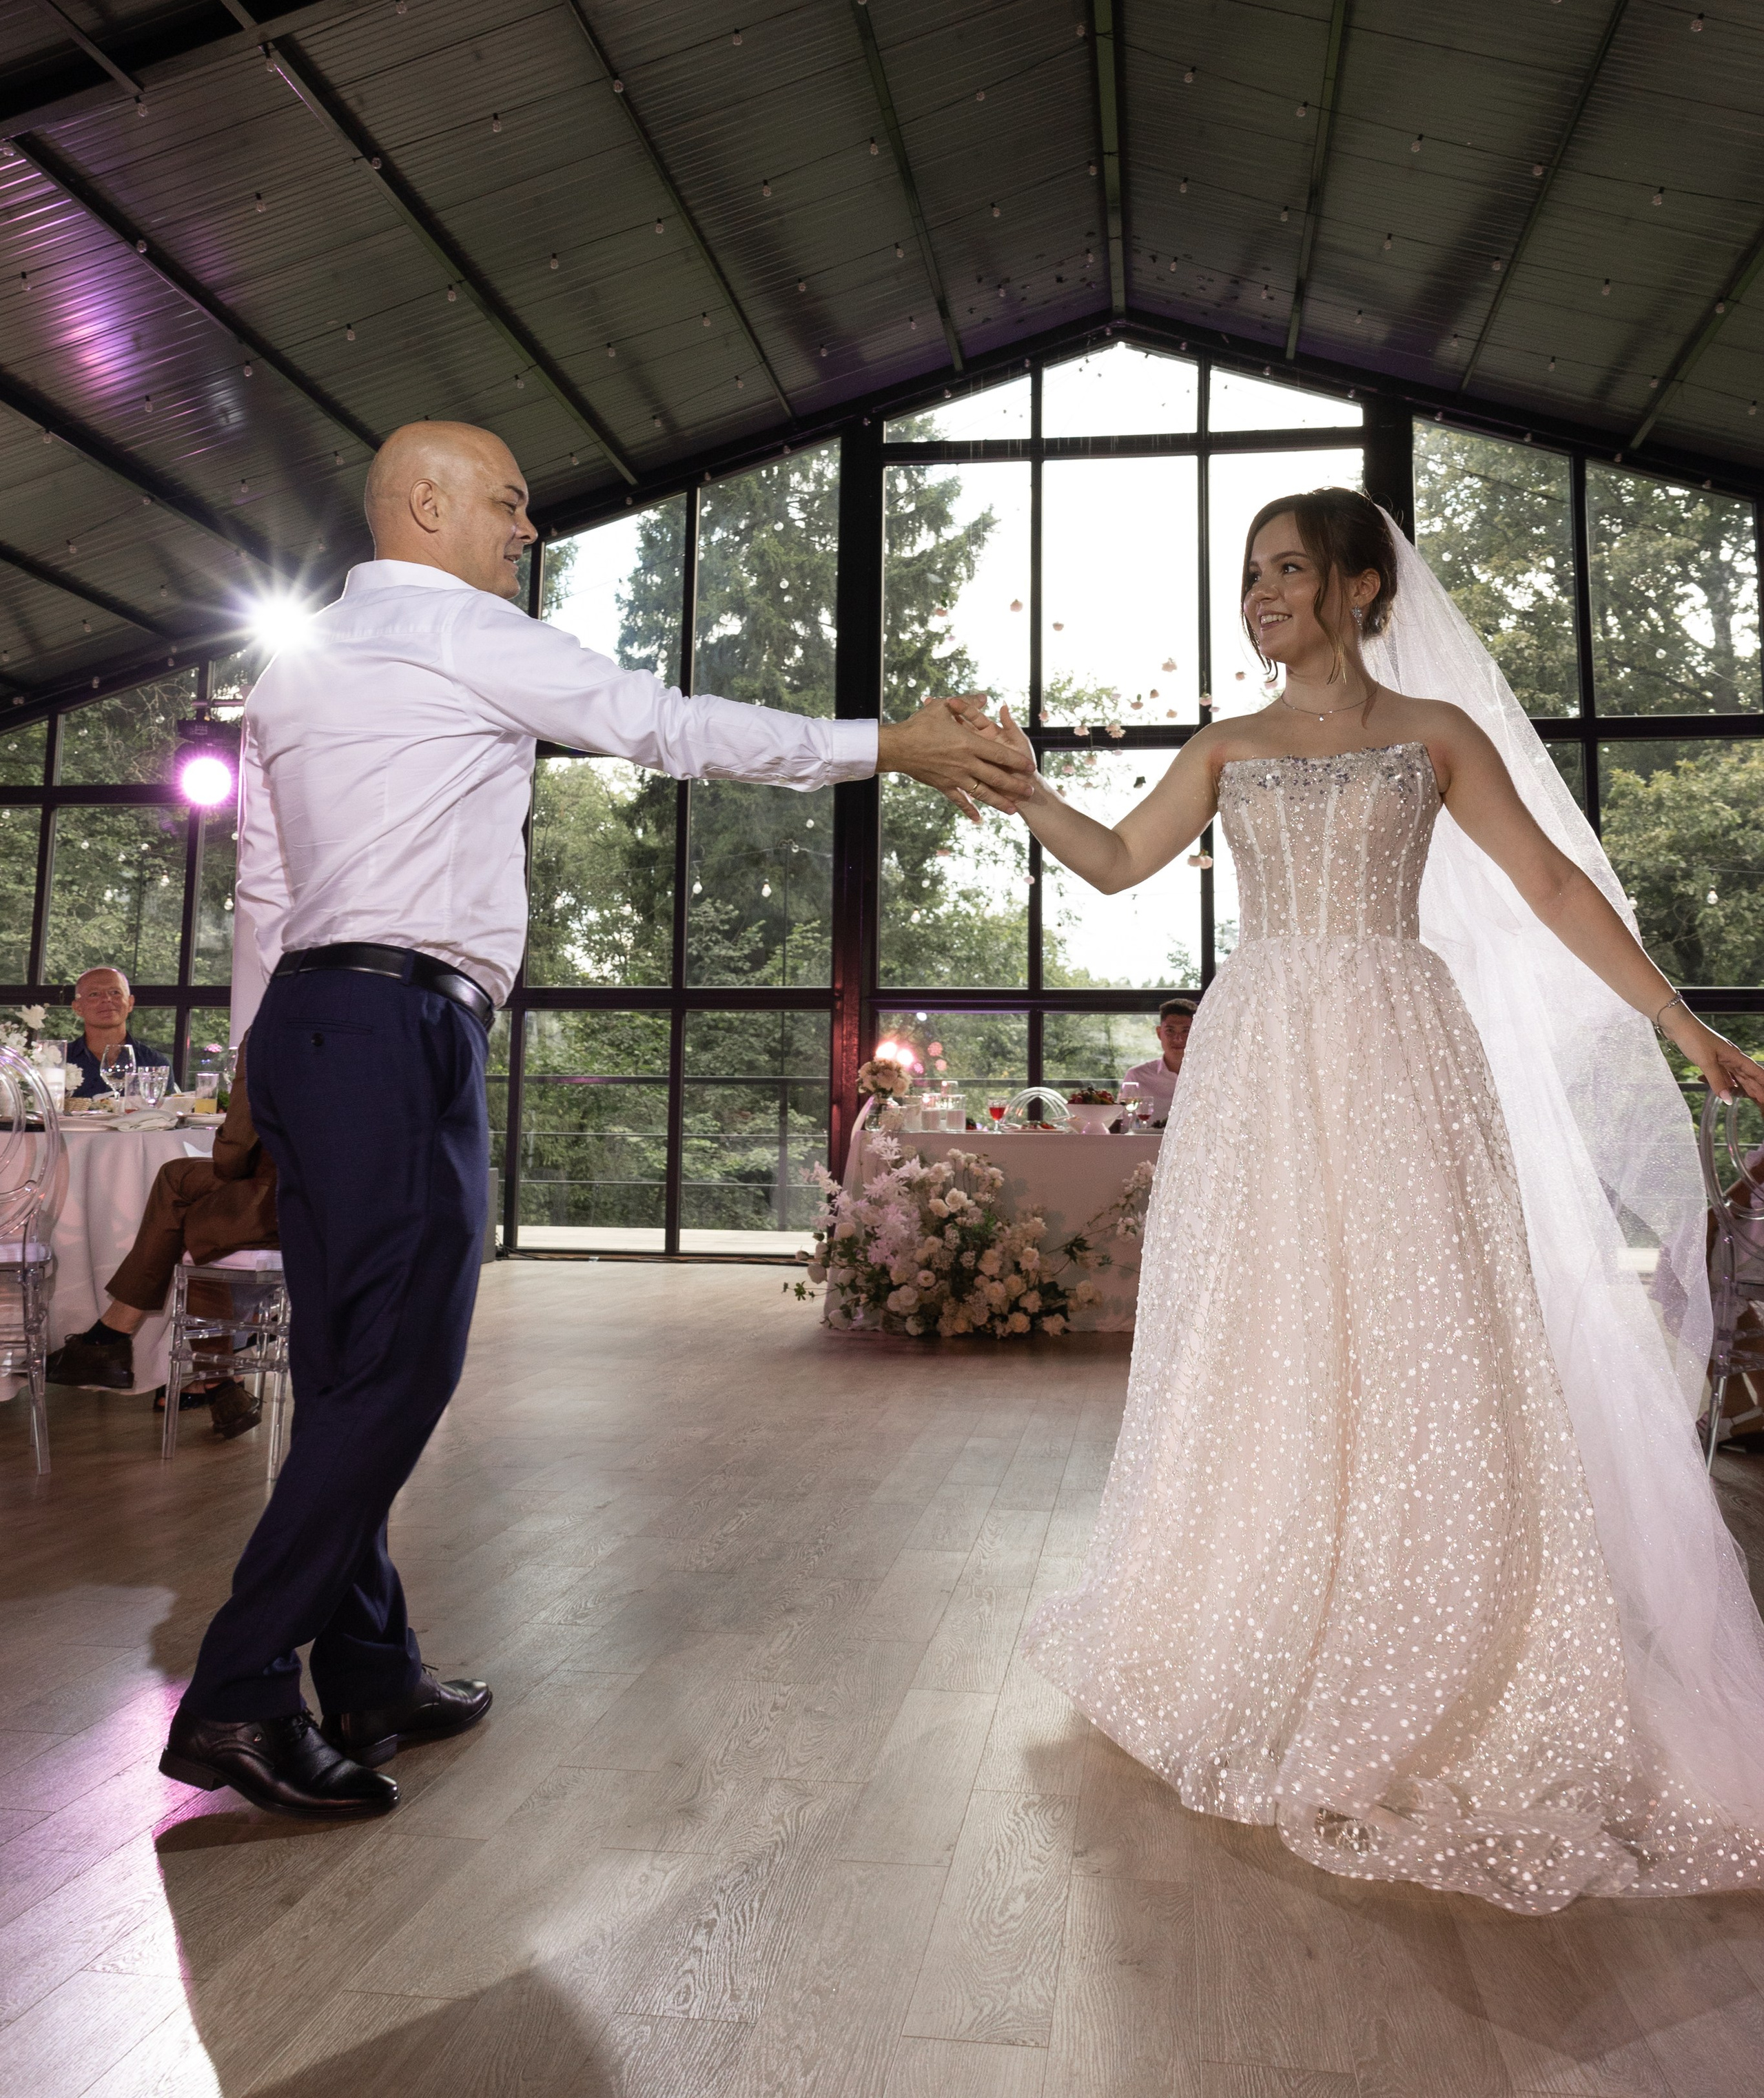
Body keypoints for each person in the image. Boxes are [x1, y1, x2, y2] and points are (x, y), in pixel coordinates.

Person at [159, 419, 1034, 1823]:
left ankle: (370, 1666)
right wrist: (897, 745)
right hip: (399, 1030)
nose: (525, 529)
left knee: (343, 1366)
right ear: (425, 503)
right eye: (508, 502)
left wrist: (252, 1071)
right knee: (399, 1368)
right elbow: (668, 726)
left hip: (317, 1030)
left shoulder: (289, 668)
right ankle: (242, 1690)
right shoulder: (458, 632)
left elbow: (265, 894)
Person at [987, 485, 1764, 1912]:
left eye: (1286, 571)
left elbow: (1546, 883)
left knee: (1426, 1334)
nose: (1260, 595)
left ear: (1359, 587)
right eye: (1248, 577)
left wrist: (1684, 1025)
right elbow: (1112, 863)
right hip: (1262, 1052)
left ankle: (1441, 1625)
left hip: (1401, 1046)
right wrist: (1029, 790)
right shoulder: (1226, 745)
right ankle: (1267, 1607)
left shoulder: (1437, 734)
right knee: (1267, 1333)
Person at [48, 1050, 275, 1438]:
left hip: (276, 1202)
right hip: (337, 1207)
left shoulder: (274, 1036)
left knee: (176, 1183)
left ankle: (110, 1336)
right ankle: (219, 1387)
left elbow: (234, 1154)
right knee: (201, 1221)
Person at [65, 966, 171, 1097]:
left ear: (130, 1003)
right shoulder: (59, 1060)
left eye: (115, 992)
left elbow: (163, 1114)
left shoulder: (154, 1063)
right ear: (78, 1008)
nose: (107, 999)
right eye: (94, 994)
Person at [1119, 995, 1196, 1126]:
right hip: (1146, 1146)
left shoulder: (1212, 1076)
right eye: (1170, 1031)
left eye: (1186, 1031)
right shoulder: (1136, 1077)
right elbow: (1125, 1126)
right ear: (1159, 1033)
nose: (1178, 1038)